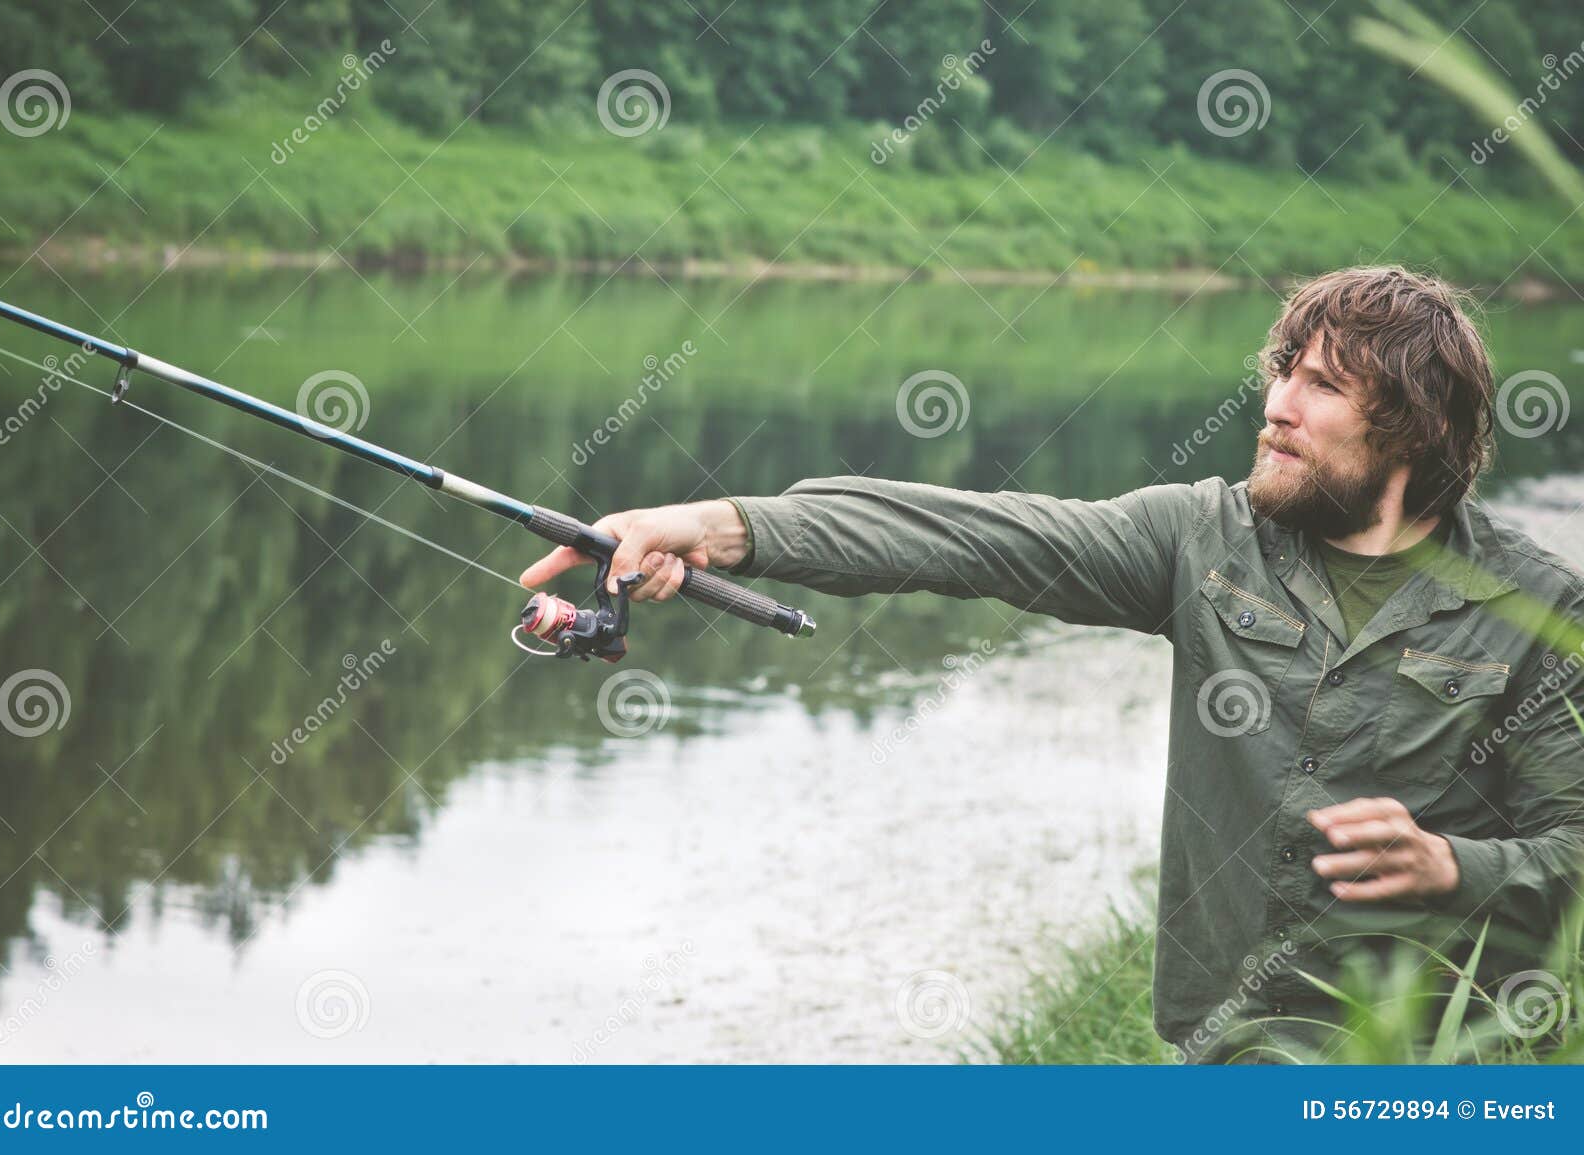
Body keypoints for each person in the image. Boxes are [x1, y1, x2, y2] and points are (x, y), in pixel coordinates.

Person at [521, 266, 1584, 1063]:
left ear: (1414, 427)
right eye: (1280, 374)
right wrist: (713, 526)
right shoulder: (1201, 541)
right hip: (1227, 1053)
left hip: (1440, 1063)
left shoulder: (1540, 612)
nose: (1275, 404)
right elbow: (972, 535)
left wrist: (1455, 870)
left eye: (1321, 389)